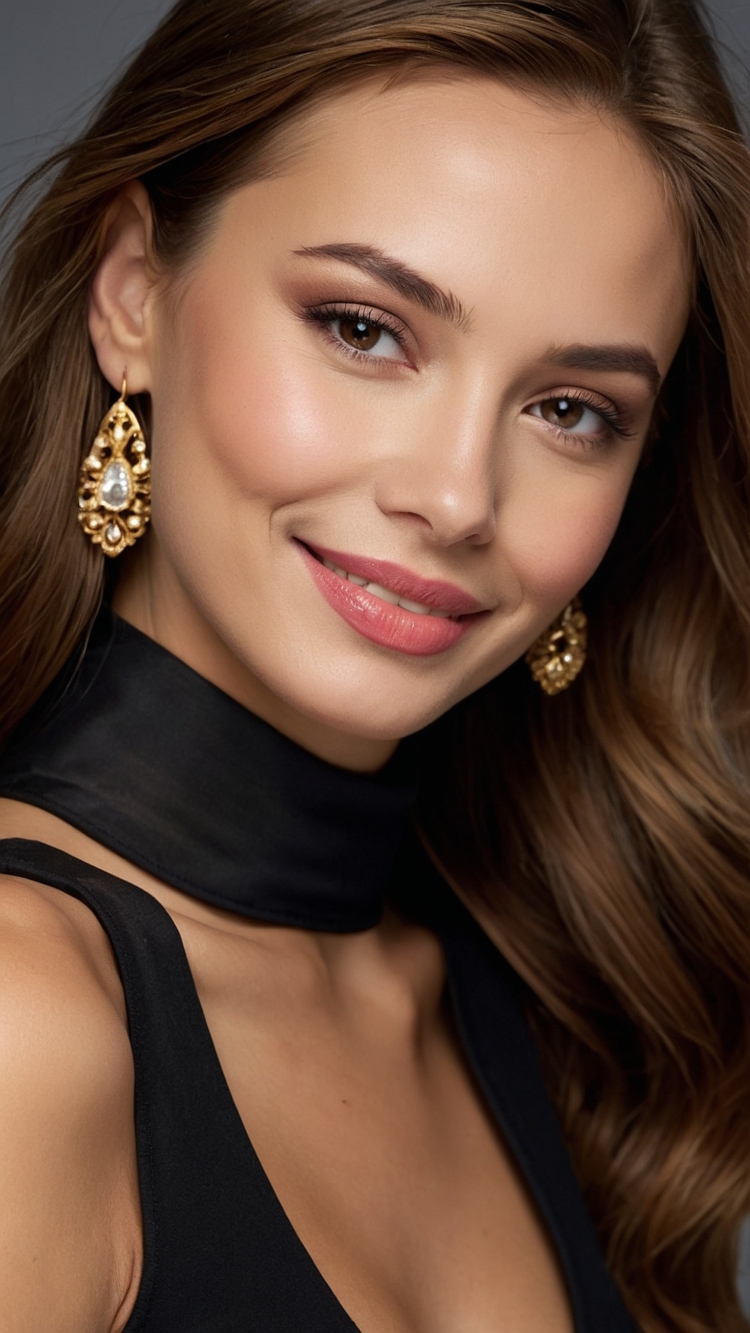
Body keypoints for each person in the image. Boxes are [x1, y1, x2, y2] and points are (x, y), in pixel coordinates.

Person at [0, 0, 748, 1329]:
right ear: (132, 293)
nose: (458, 496)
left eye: (570, 411)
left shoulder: (530, 997)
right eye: (364, 329)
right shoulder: (24, 1019)